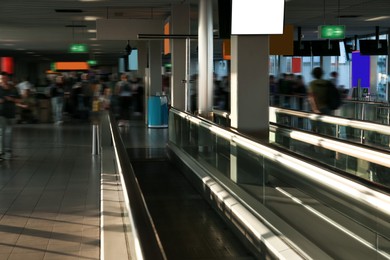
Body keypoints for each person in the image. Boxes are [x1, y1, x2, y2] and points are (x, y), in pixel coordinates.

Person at [0, 72, 21, 160]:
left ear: (8, 79)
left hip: (11, 113)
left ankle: (8, 151)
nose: (3, 80)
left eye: (5, 78)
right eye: (1, 78)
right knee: (1, 133)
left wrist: (11, 99)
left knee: (9, 133)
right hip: (1, 113)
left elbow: (19, 100)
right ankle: (1, 152)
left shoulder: (13, 89)